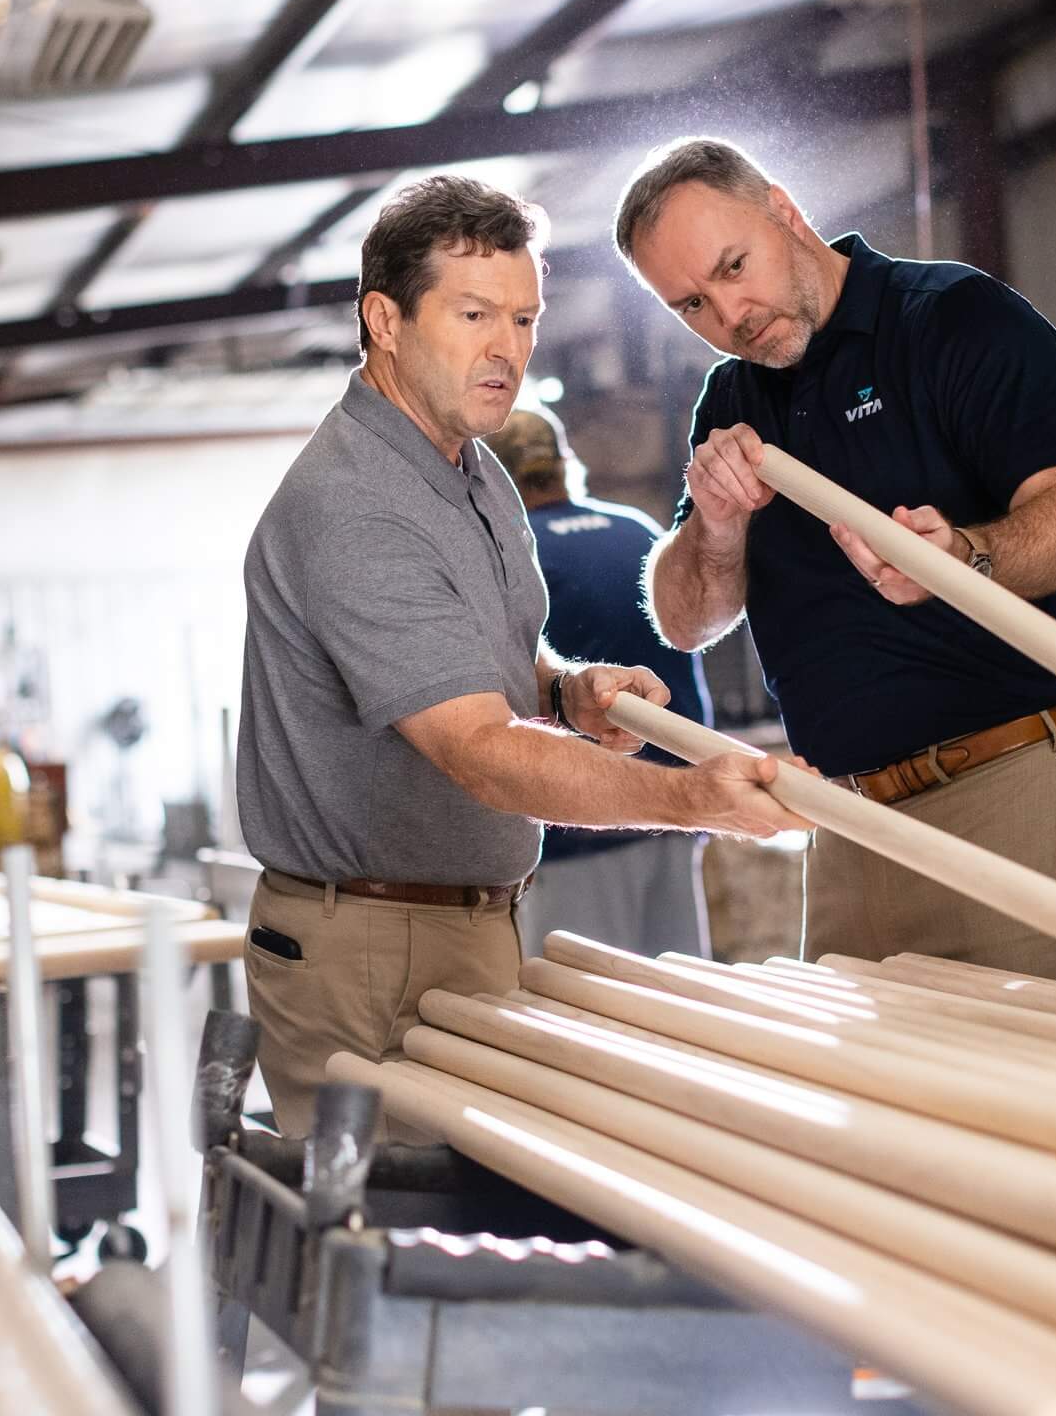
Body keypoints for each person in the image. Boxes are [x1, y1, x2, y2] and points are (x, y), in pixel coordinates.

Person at [236, 173, 812, 1134]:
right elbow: (479, 750)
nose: (507, 349)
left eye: (523, 319)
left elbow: (489, 656)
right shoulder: (353, 506)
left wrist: (564, 689)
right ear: (384, 319)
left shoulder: (470, 464)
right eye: (473, 314)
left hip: (467, 920)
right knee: (384, 1240)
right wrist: (686, 793)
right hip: (368, 945)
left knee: (471, 1226)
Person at [616, 137, 1056, 986]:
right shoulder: (731, 398)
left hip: (1005, 786)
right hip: (846, 819)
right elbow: (687, 620)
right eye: (692, 306)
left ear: (784, 209)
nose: (730, 315)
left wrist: (968, 558)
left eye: (735, 266)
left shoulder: (953, 318)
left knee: (1041, 1102)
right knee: (878, 1110)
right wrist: (713, 526)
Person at [485, 406, 714, 961]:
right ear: (565, 464)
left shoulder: (513, 553)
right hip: (675, 805)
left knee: (585, 1015)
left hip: (580, 823)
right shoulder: (636, 530)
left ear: (491, 476)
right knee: (682, 999)